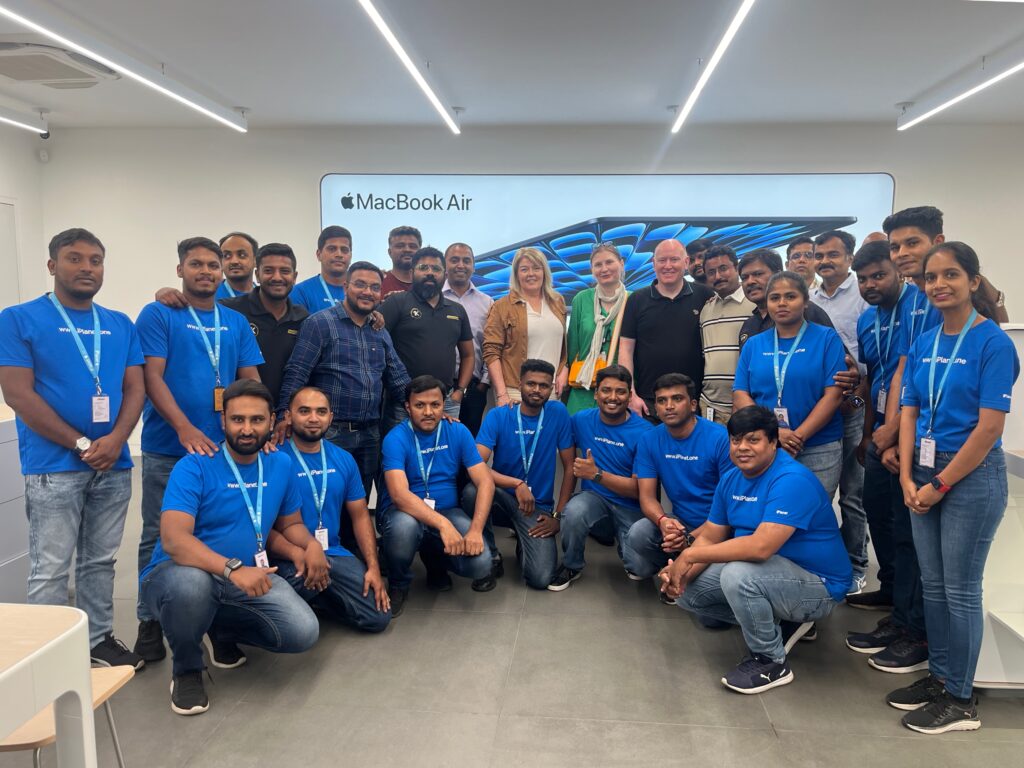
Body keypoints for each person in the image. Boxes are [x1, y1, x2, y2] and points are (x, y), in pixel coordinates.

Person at [0, 228, 145, 669]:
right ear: (52, 265)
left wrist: (117, 440)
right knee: (50, 567)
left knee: (100, 562)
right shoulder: (18, 319)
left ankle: (97, 639)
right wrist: (82, 444)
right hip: (54, 466)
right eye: (75, 258)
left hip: (114, 464)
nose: (87, 268)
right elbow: (17, 394)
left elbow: (135, 389)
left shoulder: (119, 323)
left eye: (95, 260)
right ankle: (46, 657)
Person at [889, 242, 1018, 734]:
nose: (939, 284)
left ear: (973, 281)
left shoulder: (993, 343)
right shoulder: (926, 340)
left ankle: (961, 699)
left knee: (961, 591)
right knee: (935, 586)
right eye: (931, 277)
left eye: (950, 275)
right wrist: (907, 475)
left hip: (970, 476)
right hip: (922, 471)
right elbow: (910, 411)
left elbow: (989, 428)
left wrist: (940, 483)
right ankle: (940, 677)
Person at [139, 380, 322, 716]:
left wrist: (310, 546)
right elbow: (174, 540)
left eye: (257, 420)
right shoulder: (194, 465)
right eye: (238, 419)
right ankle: (187, 669)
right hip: (179, 574)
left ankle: (217, 628)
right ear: (223, 421)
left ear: (272, 422)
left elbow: (290, 524)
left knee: (303, 632)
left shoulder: (280, 464)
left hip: (243, 576)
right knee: (192, 586)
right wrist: (232, 569)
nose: (247, 429)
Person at [133, 237, 264, 663]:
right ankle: (149, 620)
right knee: (158, 534)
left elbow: (249, 380)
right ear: (180, 270)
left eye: (213, 264)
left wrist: (263, 423)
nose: (206, 271)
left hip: (225, 450)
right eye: (196, 264)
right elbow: (151, 378)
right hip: (169, 447)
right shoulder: (159, 314)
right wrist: (184, 427)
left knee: (219, 532)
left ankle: (219, 623)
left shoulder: (235, 321)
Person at [662, 406, 852, 694]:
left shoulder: (791, 479)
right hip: (771, 576)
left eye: (753, 440)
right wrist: (680, 574)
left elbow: (761, 547)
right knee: (689, 591)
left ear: (773, 442)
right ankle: (782, 623)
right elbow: (710, 536)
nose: (742, 448)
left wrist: (688, 555)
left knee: (738, 575)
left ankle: (771, 660)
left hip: (819, 585)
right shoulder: (731, 479)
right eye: (736, 440)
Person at [277, 261, 411, 497]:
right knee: (326, 498)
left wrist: (424, 406)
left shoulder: (379, 330)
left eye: (374, 287)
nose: (367, 292)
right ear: (346, 287)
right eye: (360, 285)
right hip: (330, 433)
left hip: (370, 435)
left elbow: (398, 377)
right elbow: (297, 371)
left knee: (359, 499)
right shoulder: (320, 323)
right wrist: (283, 415)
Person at [846, 240, 919, 662]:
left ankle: (910, 622)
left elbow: (909, 375)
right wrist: (868, 433)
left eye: (879, 276)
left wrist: (892, 434)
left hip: (907, 432)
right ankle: (892, 594)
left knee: (907, 533)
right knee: (879, 516)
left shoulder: (918, 308)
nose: (871, 284)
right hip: (878, 433)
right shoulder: (866, 320)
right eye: (864, 279)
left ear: (898, 272)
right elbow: (873, 378)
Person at [271, 387, 390, 632]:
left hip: (333, 552)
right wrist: (300, 552)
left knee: (378, 617)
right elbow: (263, 526)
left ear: (331, 417)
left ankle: (320, 596)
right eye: (304, 411)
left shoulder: (343, 459)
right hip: (289, 557)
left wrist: (373, 567)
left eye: (321, 412)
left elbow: (360, 516)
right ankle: (307, 599)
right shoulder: (272, 459)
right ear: (289, 416)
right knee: (296, 626)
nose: (313, 418)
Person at [378, 375, 496, 615]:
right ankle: (399, 582)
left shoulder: (457, 430)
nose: (428, 412)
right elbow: (399, 495)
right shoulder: (395, 438)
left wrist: (475, 530)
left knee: (482, 563)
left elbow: (485, 481)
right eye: (420, 405)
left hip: (448, 510)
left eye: (435, 404)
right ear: (408, 407)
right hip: (406, 513)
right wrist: (444, 525)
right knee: (404, 528)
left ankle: (436, 560)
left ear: (444, 405)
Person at [465, 359, 575, 591]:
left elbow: (570, 467)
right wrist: (516, 484)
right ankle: (491, 556)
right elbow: (475, 465)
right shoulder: (499, 415)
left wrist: (558, 516)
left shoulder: (558, 413)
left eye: (543, 386)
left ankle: (524, 540)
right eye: (531, 384)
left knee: (540, 578)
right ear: (519, 383)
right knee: (472, 492)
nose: (537, 390)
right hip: (502, 498)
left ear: (551, 388)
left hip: (537, 507)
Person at [733, 271, 846, 497]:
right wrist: (775, 432)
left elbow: (833, 395)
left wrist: (796, 437)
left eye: (790, 296)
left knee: (811, 511)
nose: (782, 303)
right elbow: (740, 394)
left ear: (805, 301)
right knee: (772, 510)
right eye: (774, 298)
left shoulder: (826, 338)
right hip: (767, 445)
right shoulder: (754, 344)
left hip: (818, 446)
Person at [549, 365, 652, 590]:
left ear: (630, 396)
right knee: (574, 512)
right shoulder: (581, 420)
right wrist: (512, 407)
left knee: (641, 568)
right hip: (594, 500)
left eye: (620, 391)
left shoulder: (645, 433)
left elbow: (639, 490)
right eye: (606, 390)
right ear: (596, 394)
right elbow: (550, 419)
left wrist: (597, 475)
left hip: (630, 507)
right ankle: (572, 565)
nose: (612, 397)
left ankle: (623, 543)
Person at [623, 374, 732, 584]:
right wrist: (663, 521)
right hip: (681, 524)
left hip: (720, 528)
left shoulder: (720, 438)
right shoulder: (650, 439)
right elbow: (647, 497)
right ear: (656, 407)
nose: (669, 406)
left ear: (693, 405)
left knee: (703, 584)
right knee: (639, 533)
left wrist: (690, 539)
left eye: (677, 398)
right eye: (662, 400)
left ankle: (683, 572)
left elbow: (730, 505)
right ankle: (673, 568)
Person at [811, 230, 870, 594]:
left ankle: (856, 564)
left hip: (853, 404)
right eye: (819, 255)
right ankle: (822, 563)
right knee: (817, 493)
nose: (824, 261)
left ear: (849, 257)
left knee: (852, 492)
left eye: (833, 254)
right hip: (817, 406)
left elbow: (871, 361)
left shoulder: (863, 295)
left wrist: (858, 399)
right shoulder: (809, 297)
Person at [619, 239, 714, 423]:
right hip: (648, 403)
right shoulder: (637, 300)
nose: (668, 266)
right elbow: (625, 350)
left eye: (674, 260)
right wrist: (631, 395)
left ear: (686, 262)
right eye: (662, 260)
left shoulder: (705, 296)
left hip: (693, 402)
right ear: (653, 264)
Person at [380, 246, 474, 419]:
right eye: (423, 267)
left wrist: (460, 391)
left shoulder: (457, 310)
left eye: (436, 268)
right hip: (404, 402)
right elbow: (377, 345)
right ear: (412, 273)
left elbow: (468, 355)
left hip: (446, 402)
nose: (430, 273)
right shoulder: (397, 302)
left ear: (445, 275)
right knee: (401, 439)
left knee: (447, 439)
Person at [219, 243, 308, 405]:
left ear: (294, 277)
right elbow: (195, 308)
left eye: (285, 271)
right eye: (268, 271)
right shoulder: (229, 311)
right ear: (257, 275)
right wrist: (170, 294)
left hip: (286, 412)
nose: (277, 277)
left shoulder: (303, 318)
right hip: (242, 411)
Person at [483, 246, 567, 407]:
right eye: (524, 269)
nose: (531, 274)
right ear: (516, 274)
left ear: (544, 272)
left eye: (536, 268)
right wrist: (502, 394)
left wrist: (564, 368)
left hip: (551, 389)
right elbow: (491, 352)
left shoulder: (557, 302)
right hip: (515, 390)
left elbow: (563, 345)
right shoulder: (501, 306)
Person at [558, 241, 629, 415]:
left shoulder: (633, 300)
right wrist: (565, 369)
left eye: (609, 262)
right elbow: (572, 344)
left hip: (618, 390)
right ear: (592, 269)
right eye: (598, 265)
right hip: (583, 387)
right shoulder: (581, 299)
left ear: (621, 263)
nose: (604, 269)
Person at [698, 245, 755, 425]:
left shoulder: (755, 303)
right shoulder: (706, 309)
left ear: (736, 268)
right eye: (711, 272)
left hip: (748, 405)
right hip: (710, 406)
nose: (718, 276)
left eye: (723, 269)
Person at [442, 242, 493, 436]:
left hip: (473, 389)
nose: (460, 265)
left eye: (466, 260)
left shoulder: (487, 302)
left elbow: (491, 345)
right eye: (454, 260)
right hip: (437, 388)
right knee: (439, 443)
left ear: (474, 266)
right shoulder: (433, 297)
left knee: (469, 445)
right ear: (445, 264)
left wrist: (483, 385)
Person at [737, 248, 836, 348]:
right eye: (744, 277)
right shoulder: (748, 325)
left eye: (758, 274)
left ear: (778, 274)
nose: (750, 282)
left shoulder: (805, 311)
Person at [289, 225, 352, 313]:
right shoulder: (300, 292)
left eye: (344, 250)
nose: (339, 254)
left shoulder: (361, 293)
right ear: (319, 255)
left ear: (351, 255)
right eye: (332, 249)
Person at [381, 225, 421, 299]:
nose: (407, 250)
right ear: (390, 252)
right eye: (400, 246)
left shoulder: (429, 284)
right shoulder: (379, 282)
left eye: (412, 246)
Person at [215, 232, 258, 299]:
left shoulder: (266, 298)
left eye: (242, 255)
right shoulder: (209, 297)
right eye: (227, 256)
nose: (234, 261)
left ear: (256, 260)